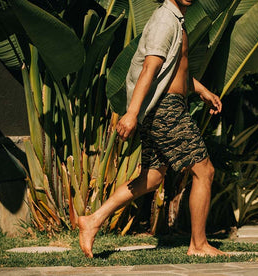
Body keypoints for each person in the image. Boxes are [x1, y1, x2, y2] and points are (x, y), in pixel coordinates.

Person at [79, 0, 225, 258]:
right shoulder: (164, 21)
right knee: (205, 170)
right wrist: (132, 113)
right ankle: (199, 245)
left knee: (153, 177)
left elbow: (173, 70)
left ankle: (93, 219)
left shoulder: (177, 21)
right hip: (164, 109)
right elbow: (150, 67)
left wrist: (202, 91)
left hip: (167, 105)